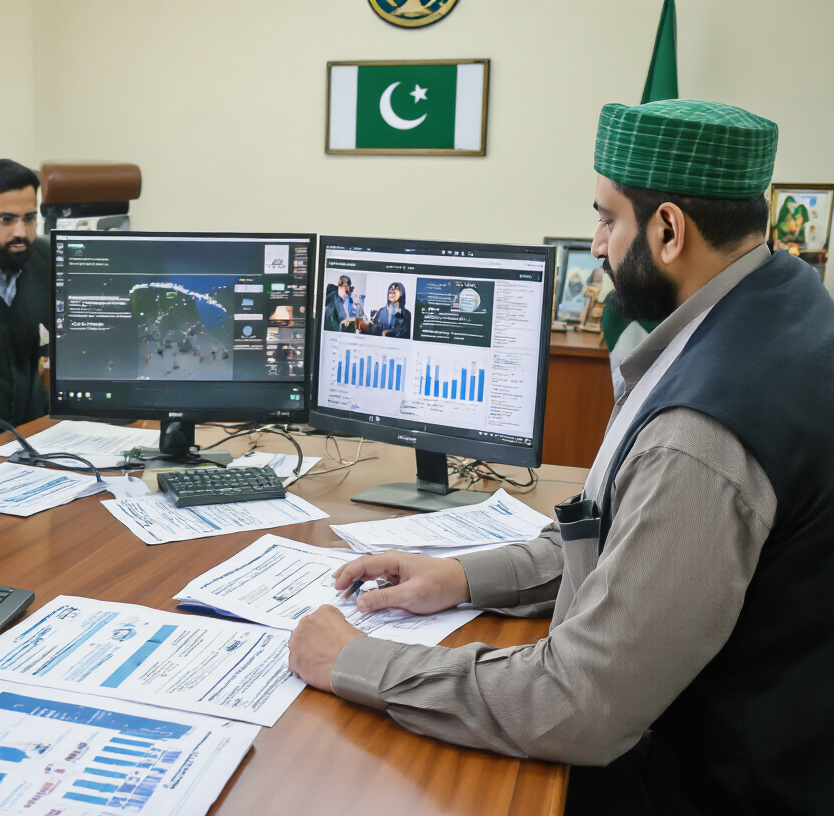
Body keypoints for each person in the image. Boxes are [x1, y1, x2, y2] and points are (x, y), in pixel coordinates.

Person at [288, 99, 834, 815]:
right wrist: (460, 576)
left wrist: (354, 662)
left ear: (668, 229)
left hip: (706, 785)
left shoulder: (702, 433)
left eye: (608, 218)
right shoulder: (780, 299)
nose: (597, 242)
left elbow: (579, 702)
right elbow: (621, 534)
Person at [0, 159, 50, 426]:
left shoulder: (44, 258)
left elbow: (77, 337)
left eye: (29, 219)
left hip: (35, 429)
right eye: (6, 219)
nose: (21, 233)